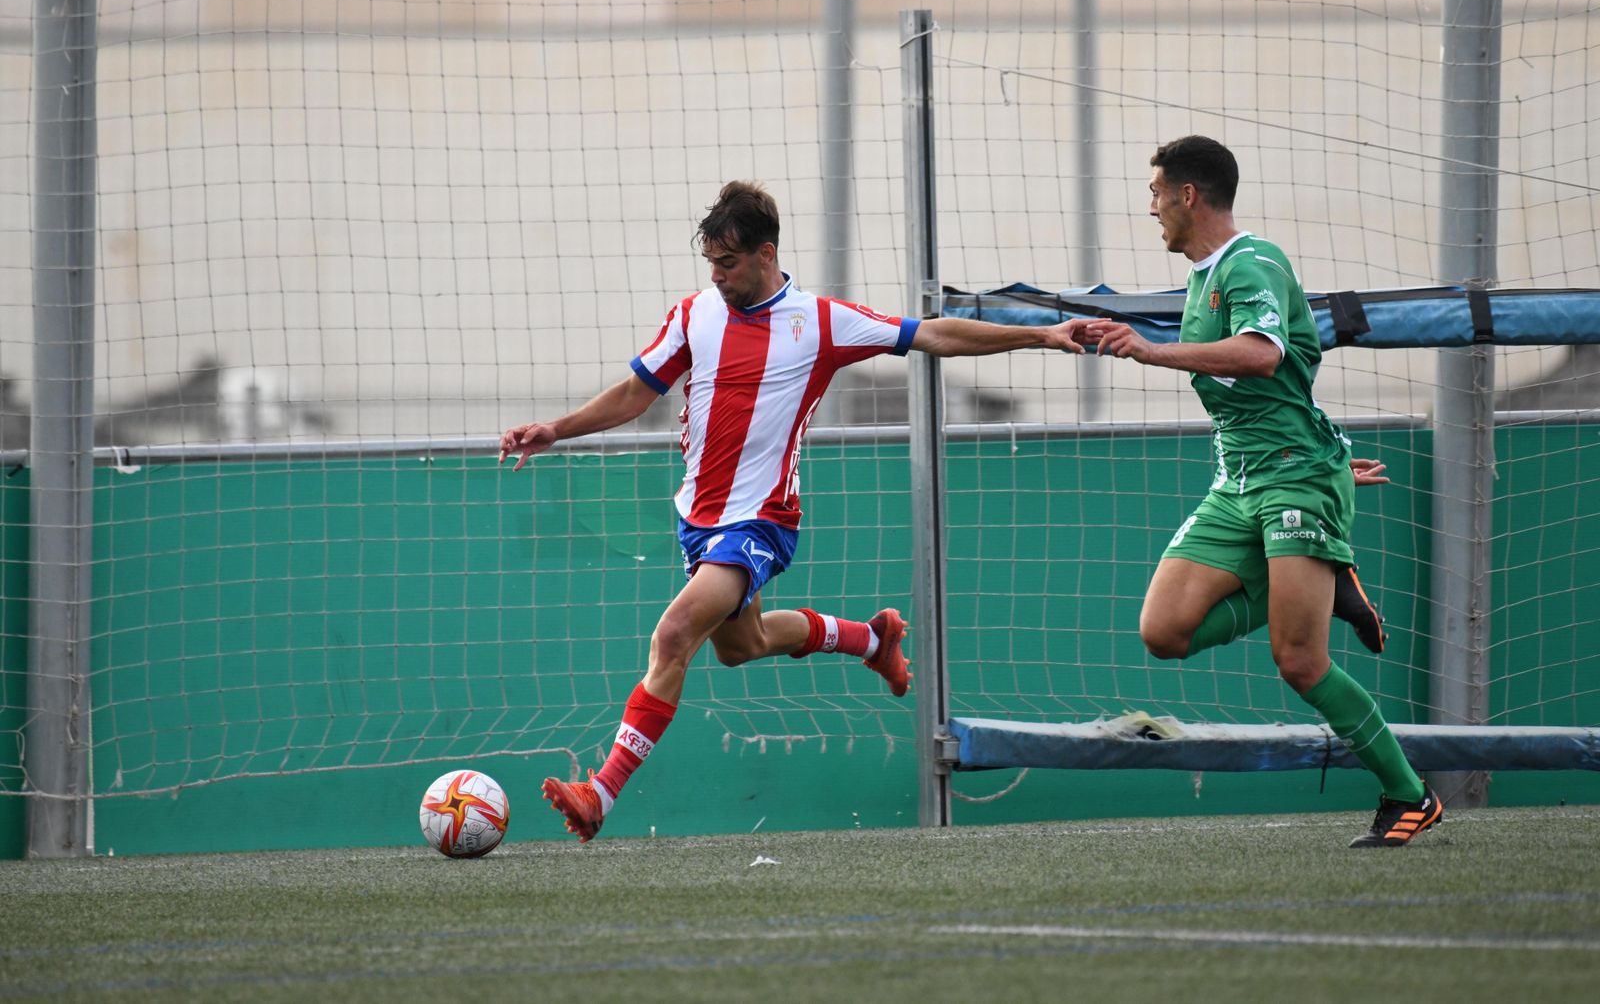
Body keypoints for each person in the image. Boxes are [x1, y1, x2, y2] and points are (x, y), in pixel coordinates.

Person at [501, 180, 1086, 842]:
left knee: (673, 636)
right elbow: (638, 390)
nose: (716, 277)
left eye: (727, 264)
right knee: (738, 646)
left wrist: (1041, 333)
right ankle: (871, 638)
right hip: (699, 518)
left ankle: (601, 792)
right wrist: (556, 428)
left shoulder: (821, 322)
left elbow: (934, 335)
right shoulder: (695, 314)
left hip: (762, 521)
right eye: (711, 265)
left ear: (764, 253)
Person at [1074, 136, 1440, 848]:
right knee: (1163, 630)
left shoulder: (1253, 262)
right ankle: (1316, 587)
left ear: (1188, 194)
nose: (1149, 207)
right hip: (1241, 478)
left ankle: (1409, 793)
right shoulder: (1203, 278)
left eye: (1155, 193)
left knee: (1299, 660)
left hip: (1293, 479)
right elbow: (1280, 385)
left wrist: (1151, 350)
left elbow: (1265, 355)